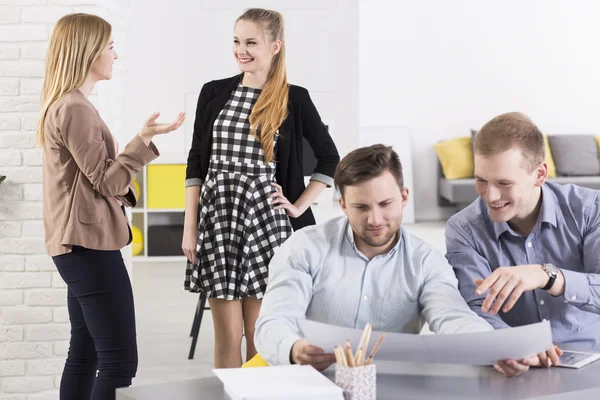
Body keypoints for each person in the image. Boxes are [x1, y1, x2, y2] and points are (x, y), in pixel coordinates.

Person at [255, 144, 531, 376]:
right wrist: (293, 349)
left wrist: (494, 347)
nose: (374, 219)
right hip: (309, 382)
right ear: (342, 205)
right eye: (361, 207)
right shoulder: (305, 247)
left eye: (385, 204)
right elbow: (274, 321)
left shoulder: (426, 262)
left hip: (386, 385)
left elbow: (454, 317)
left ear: (403, 198)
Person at [182, 8, 339, 369]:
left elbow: (329, 158)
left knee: (259, 335)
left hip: (265, 227)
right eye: (237, 41)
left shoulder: (293, 98)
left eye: (251, 42)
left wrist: (298, 206)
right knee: (226, 336)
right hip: (218, 223)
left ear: (275, 46)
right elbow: (196, 163)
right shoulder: (213, 93)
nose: (242, 50)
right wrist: (191, 227)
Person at [39, 13, 185, 400]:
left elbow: (96, 177)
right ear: (87, 52)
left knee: (84, 352)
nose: (115, 55)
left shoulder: (69, 105)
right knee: (119, 361)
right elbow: (107, 181)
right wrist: (141, 143)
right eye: (109, 46)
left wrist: (140, 138)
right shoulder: (75, 108)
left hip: (77, 246)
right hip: (88, 247)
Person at [443, 112, 600, 377]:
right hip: (515, 370)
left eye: (504, 183)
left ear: (539, 174)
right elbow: (474, 308)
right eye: (481, 180)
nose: (490, 196)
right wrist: (511, 345)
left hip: (593, 364)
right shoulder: (463, 229)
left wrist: (548, 276)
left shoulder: (589, 210)